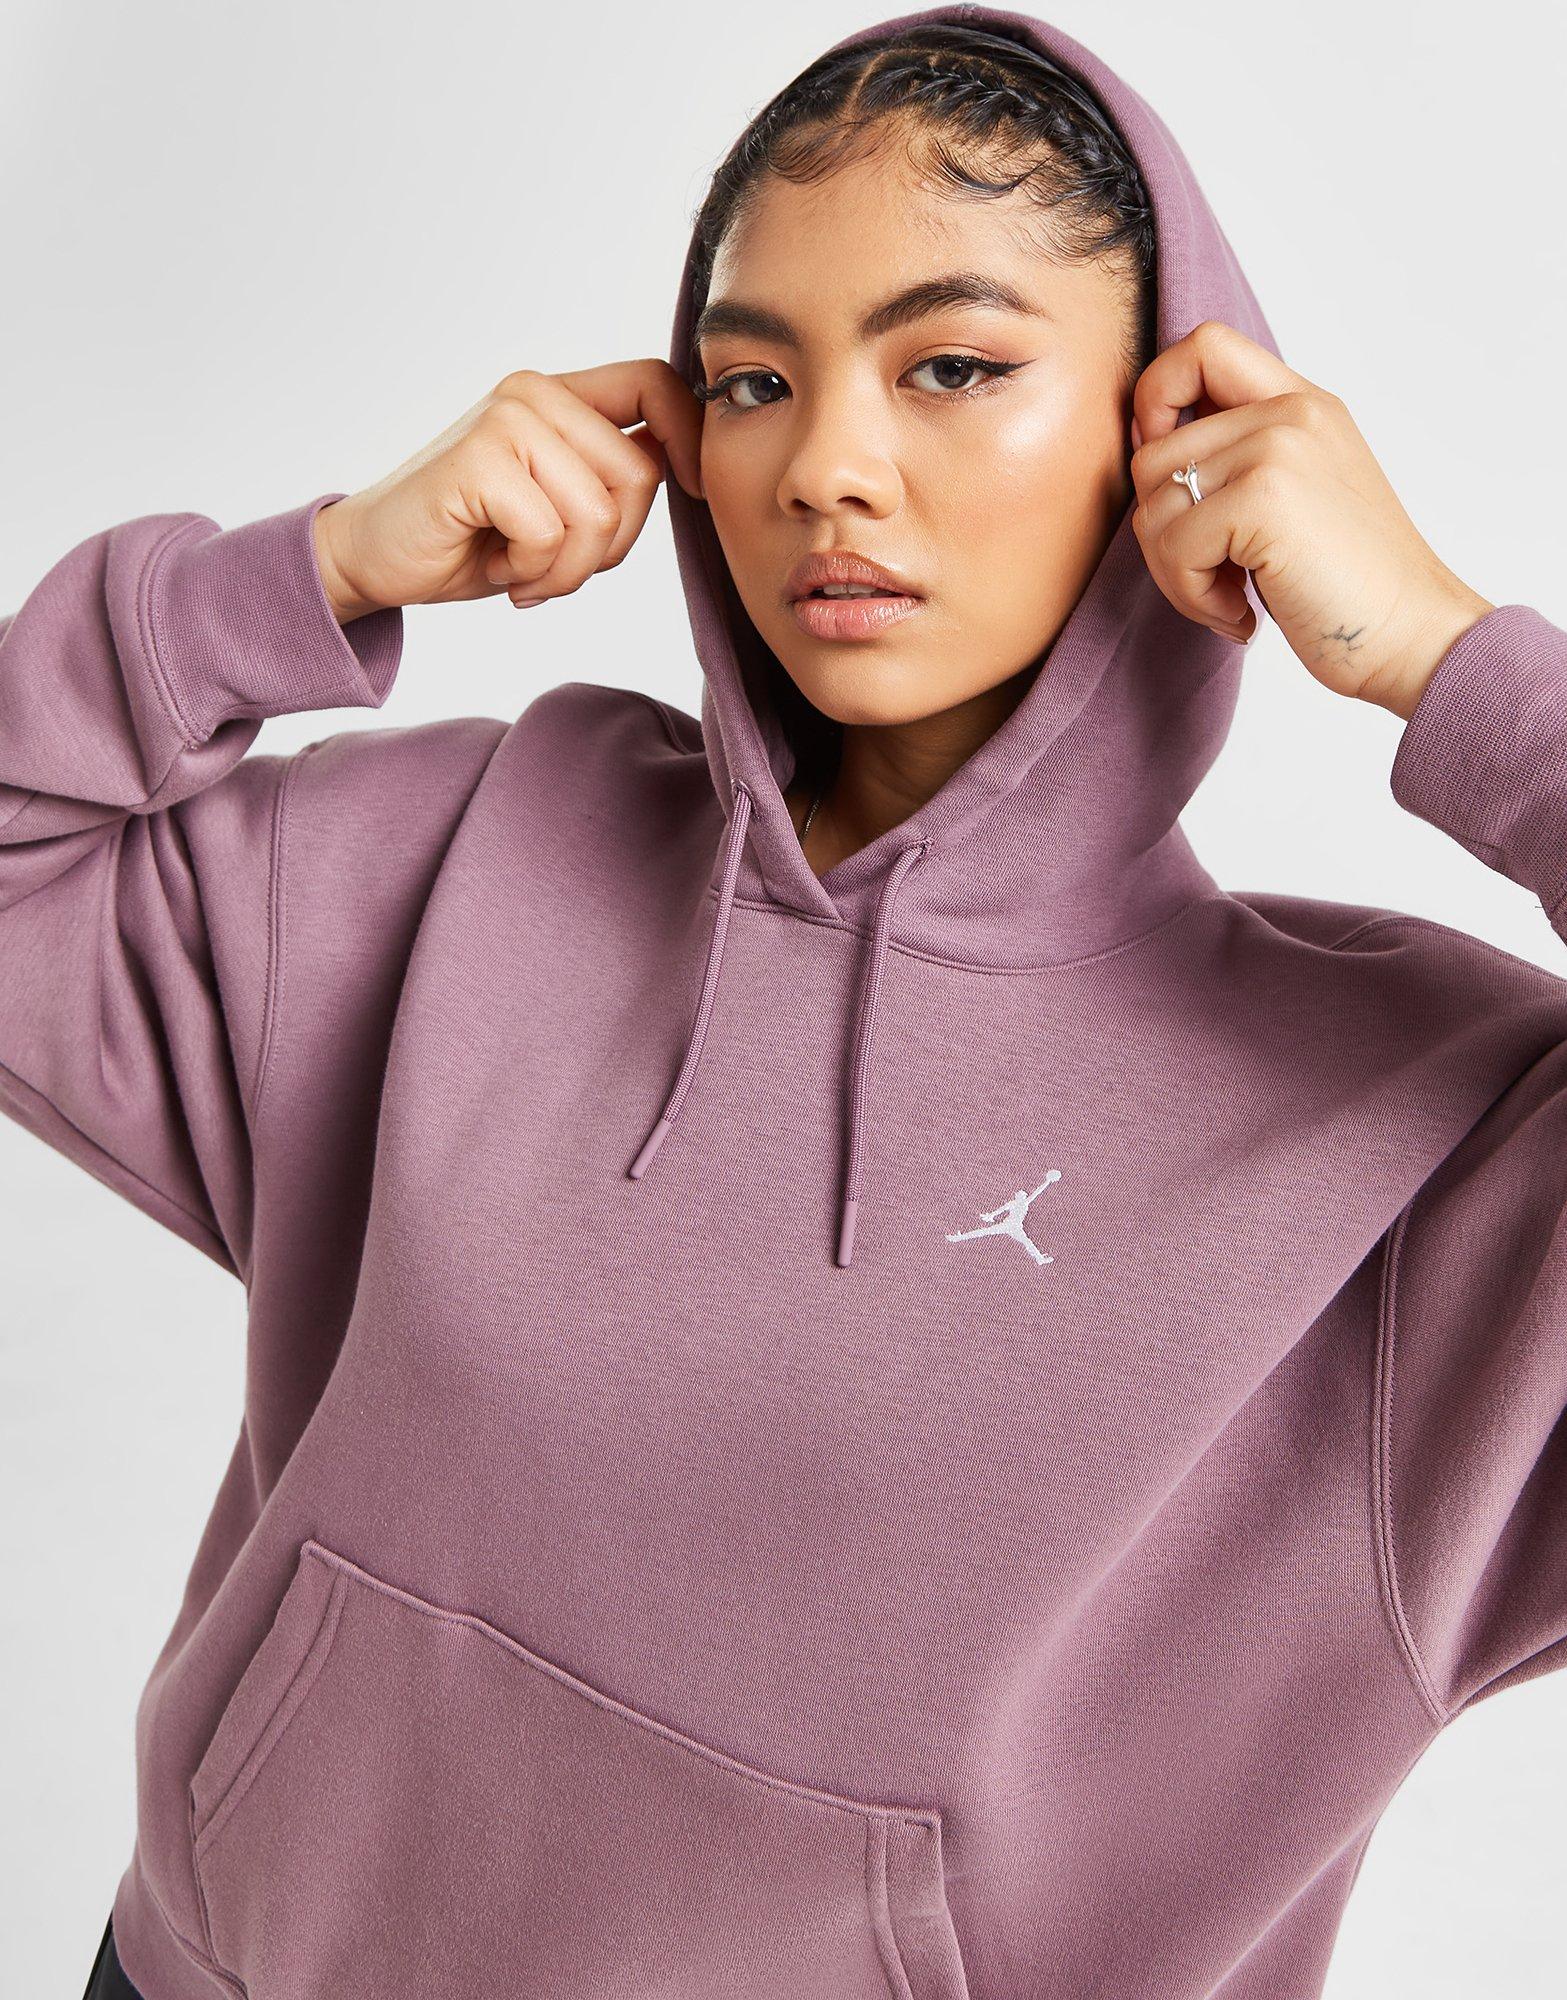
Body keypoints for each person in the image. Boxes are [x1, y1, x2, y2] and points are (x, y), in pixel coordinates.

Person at [6, 5, 1563, 1996]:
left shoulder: (1409, 1152)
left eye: (953, 366)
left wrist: (1450, 658)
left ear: (1180, 426)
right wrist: (316, 570)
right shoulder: (465, 853)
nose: (825, 466)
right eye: (753, 380)